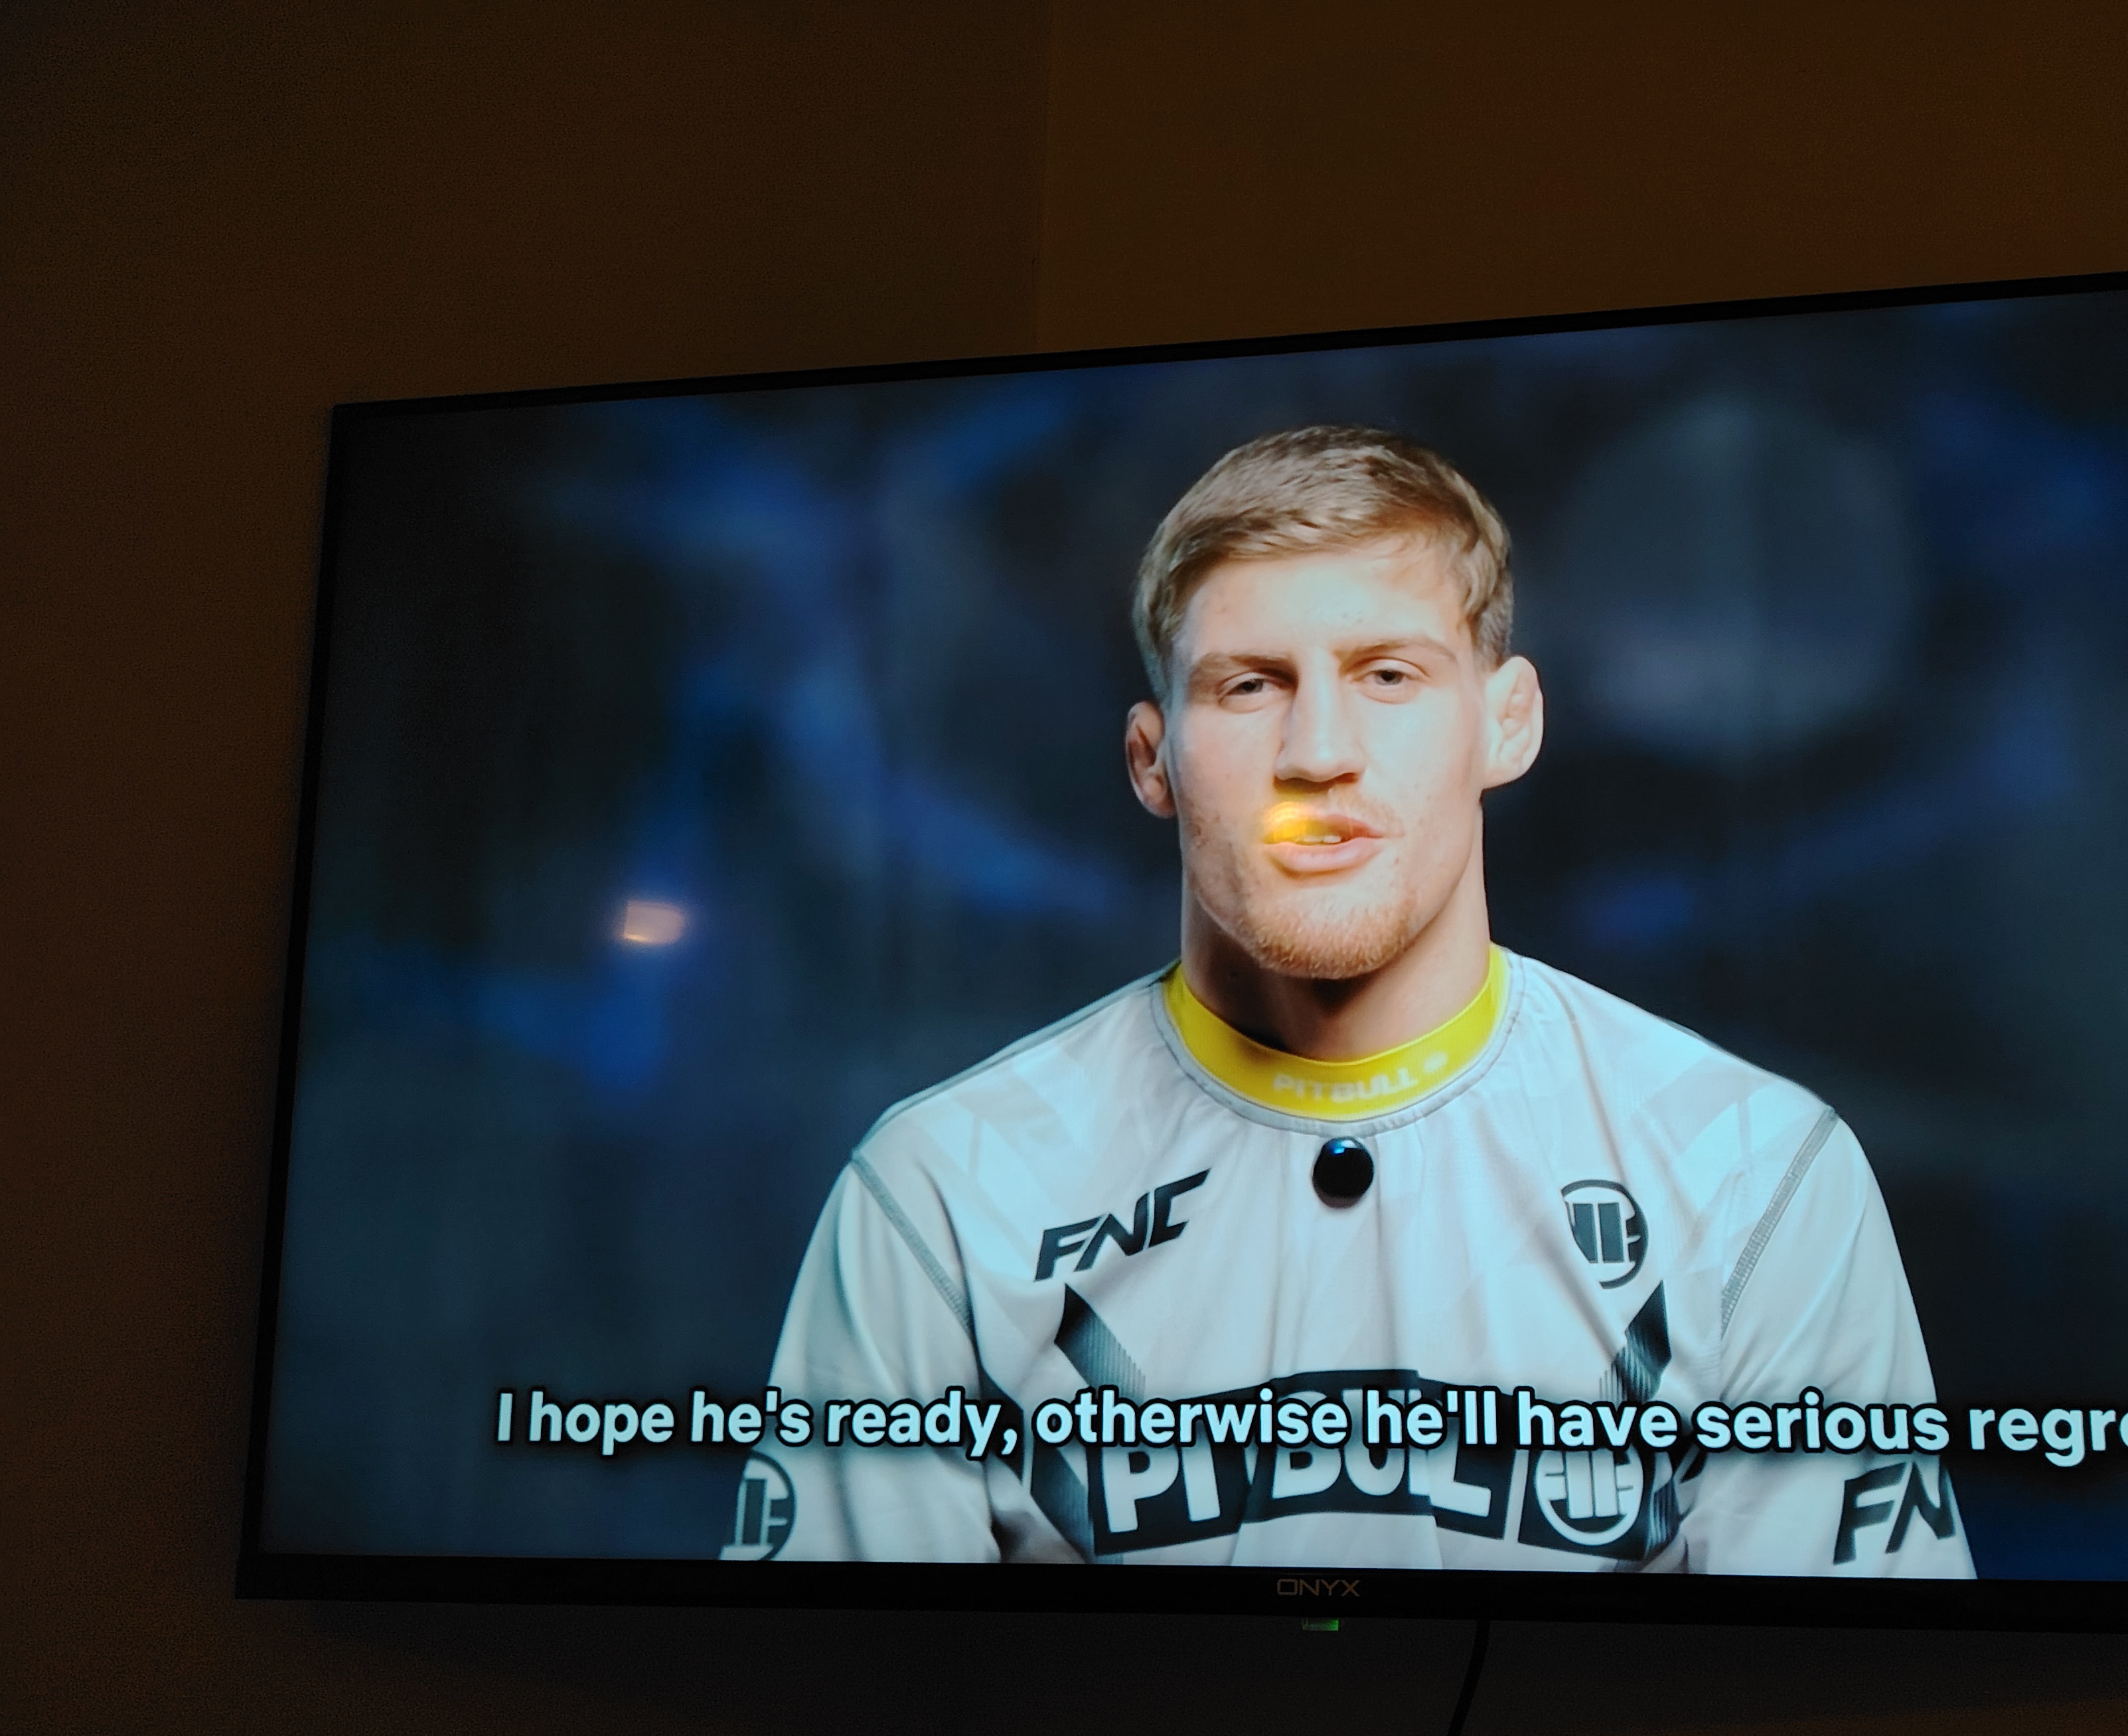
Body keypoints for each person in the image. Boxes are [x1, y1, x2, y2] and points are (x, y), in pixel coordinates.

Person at [745, 426, 1972, 1576]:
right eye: (1249, 687)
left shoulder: (1754, 1176)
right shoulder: (942, 1195)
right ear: (1152, 761)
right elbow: (842, 1706)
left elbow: (1832, 1708)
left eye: (1388, 675)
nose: (1318, 753)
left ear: (1508, 724)